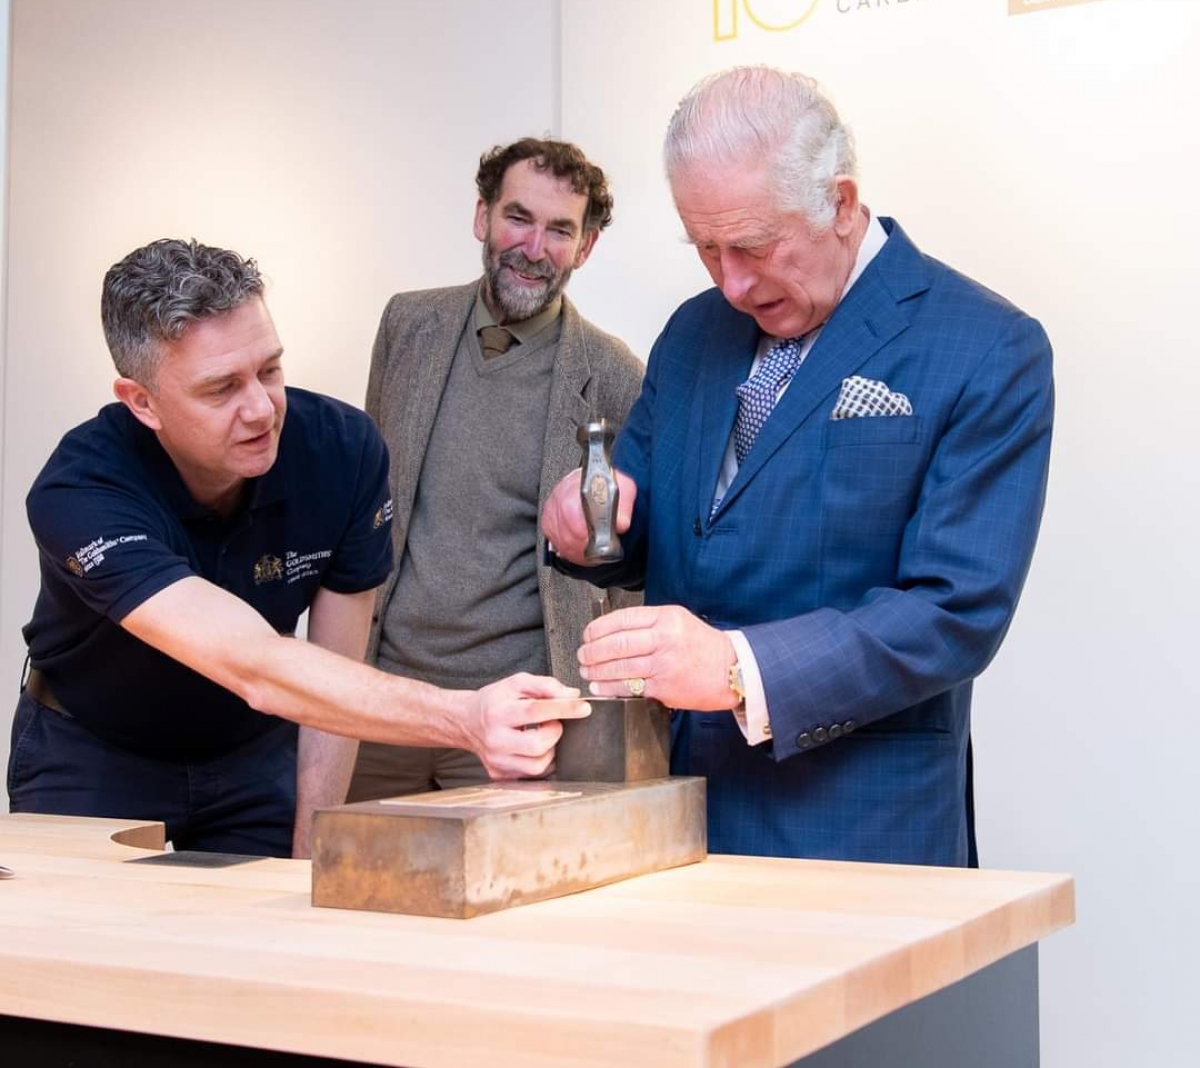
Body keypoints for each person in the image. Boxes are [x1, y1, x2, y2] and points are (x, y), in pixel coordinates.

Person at [542, 67, 1054, 867]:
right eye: (707, 248)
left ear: (842, 204)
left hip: (857, 829)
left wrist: (738, 670)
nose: (732, 283)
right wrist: (590, 521)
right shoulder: (694, 333)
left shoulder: (985, 346)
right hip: (671, 817)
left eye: (752, 245)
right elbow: (647, 521)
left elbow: (956, 612)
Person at [10, 239, 590, 858]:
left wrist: (313, 848)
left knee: (271, 939)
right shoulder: (81, 489)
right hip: (94, 751)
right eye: (220, 389)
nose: (261, 409)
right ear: (142, 402)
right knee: (83, 948)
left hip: (250, 753)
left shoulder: (341, 452)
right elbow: (253, 661)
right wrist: (466, 718)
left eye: (269, 370)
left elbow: (337, 666)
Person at [347, 138, 643, 802]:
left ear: (585, 247)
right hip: (386, 699)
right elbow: (369, 503)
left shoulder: (615, 375)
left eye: (559, 229)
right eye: (518, 217)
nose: (533, 247)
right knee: (356, 898)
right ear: (482, 217)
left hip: (521, 718)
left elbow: (632, 564)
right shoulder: (408, 325)